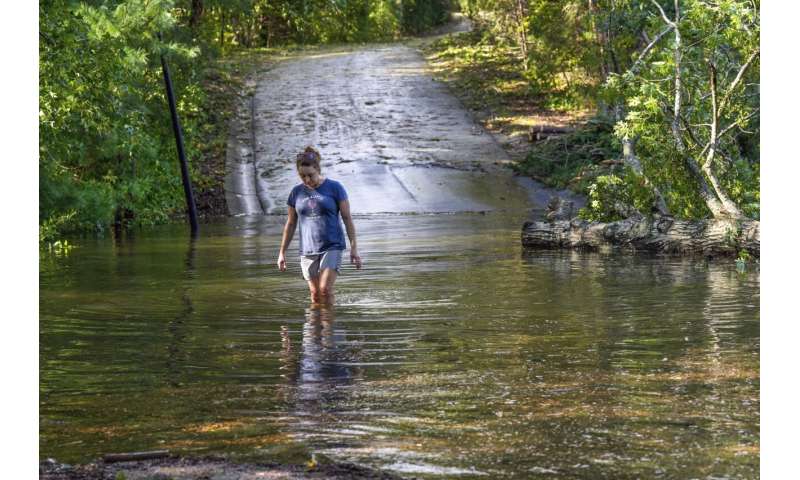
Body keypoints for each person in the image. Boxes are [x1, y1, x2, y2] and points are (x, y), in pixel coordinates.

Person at [277, 146, 362, 304]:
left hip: (332, 246)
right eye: (302, 176)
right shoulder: (296, 193)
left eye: (310, 175)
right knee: (315, 294)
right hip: (307, 249)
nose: (307, 180)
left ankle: (328, 328)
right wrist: (282, 252)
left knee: (325, 289)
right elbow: (290, 224)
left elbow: (347, 218)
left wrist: (354, 249)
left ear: (317, 169)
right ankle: (315, 327)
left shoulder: (335, 188)